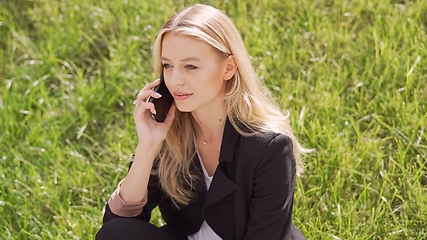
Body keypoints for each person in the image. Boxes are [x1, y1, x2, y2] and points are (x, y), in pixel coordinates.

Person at [96, 4, 310, 240]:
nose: (175, 80)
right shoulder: (169, 132)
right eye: (168, 65)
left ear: (228, 67)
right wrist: (147, 147)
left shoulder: (268, 147)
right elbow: (117, 226)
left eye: (190, 66)